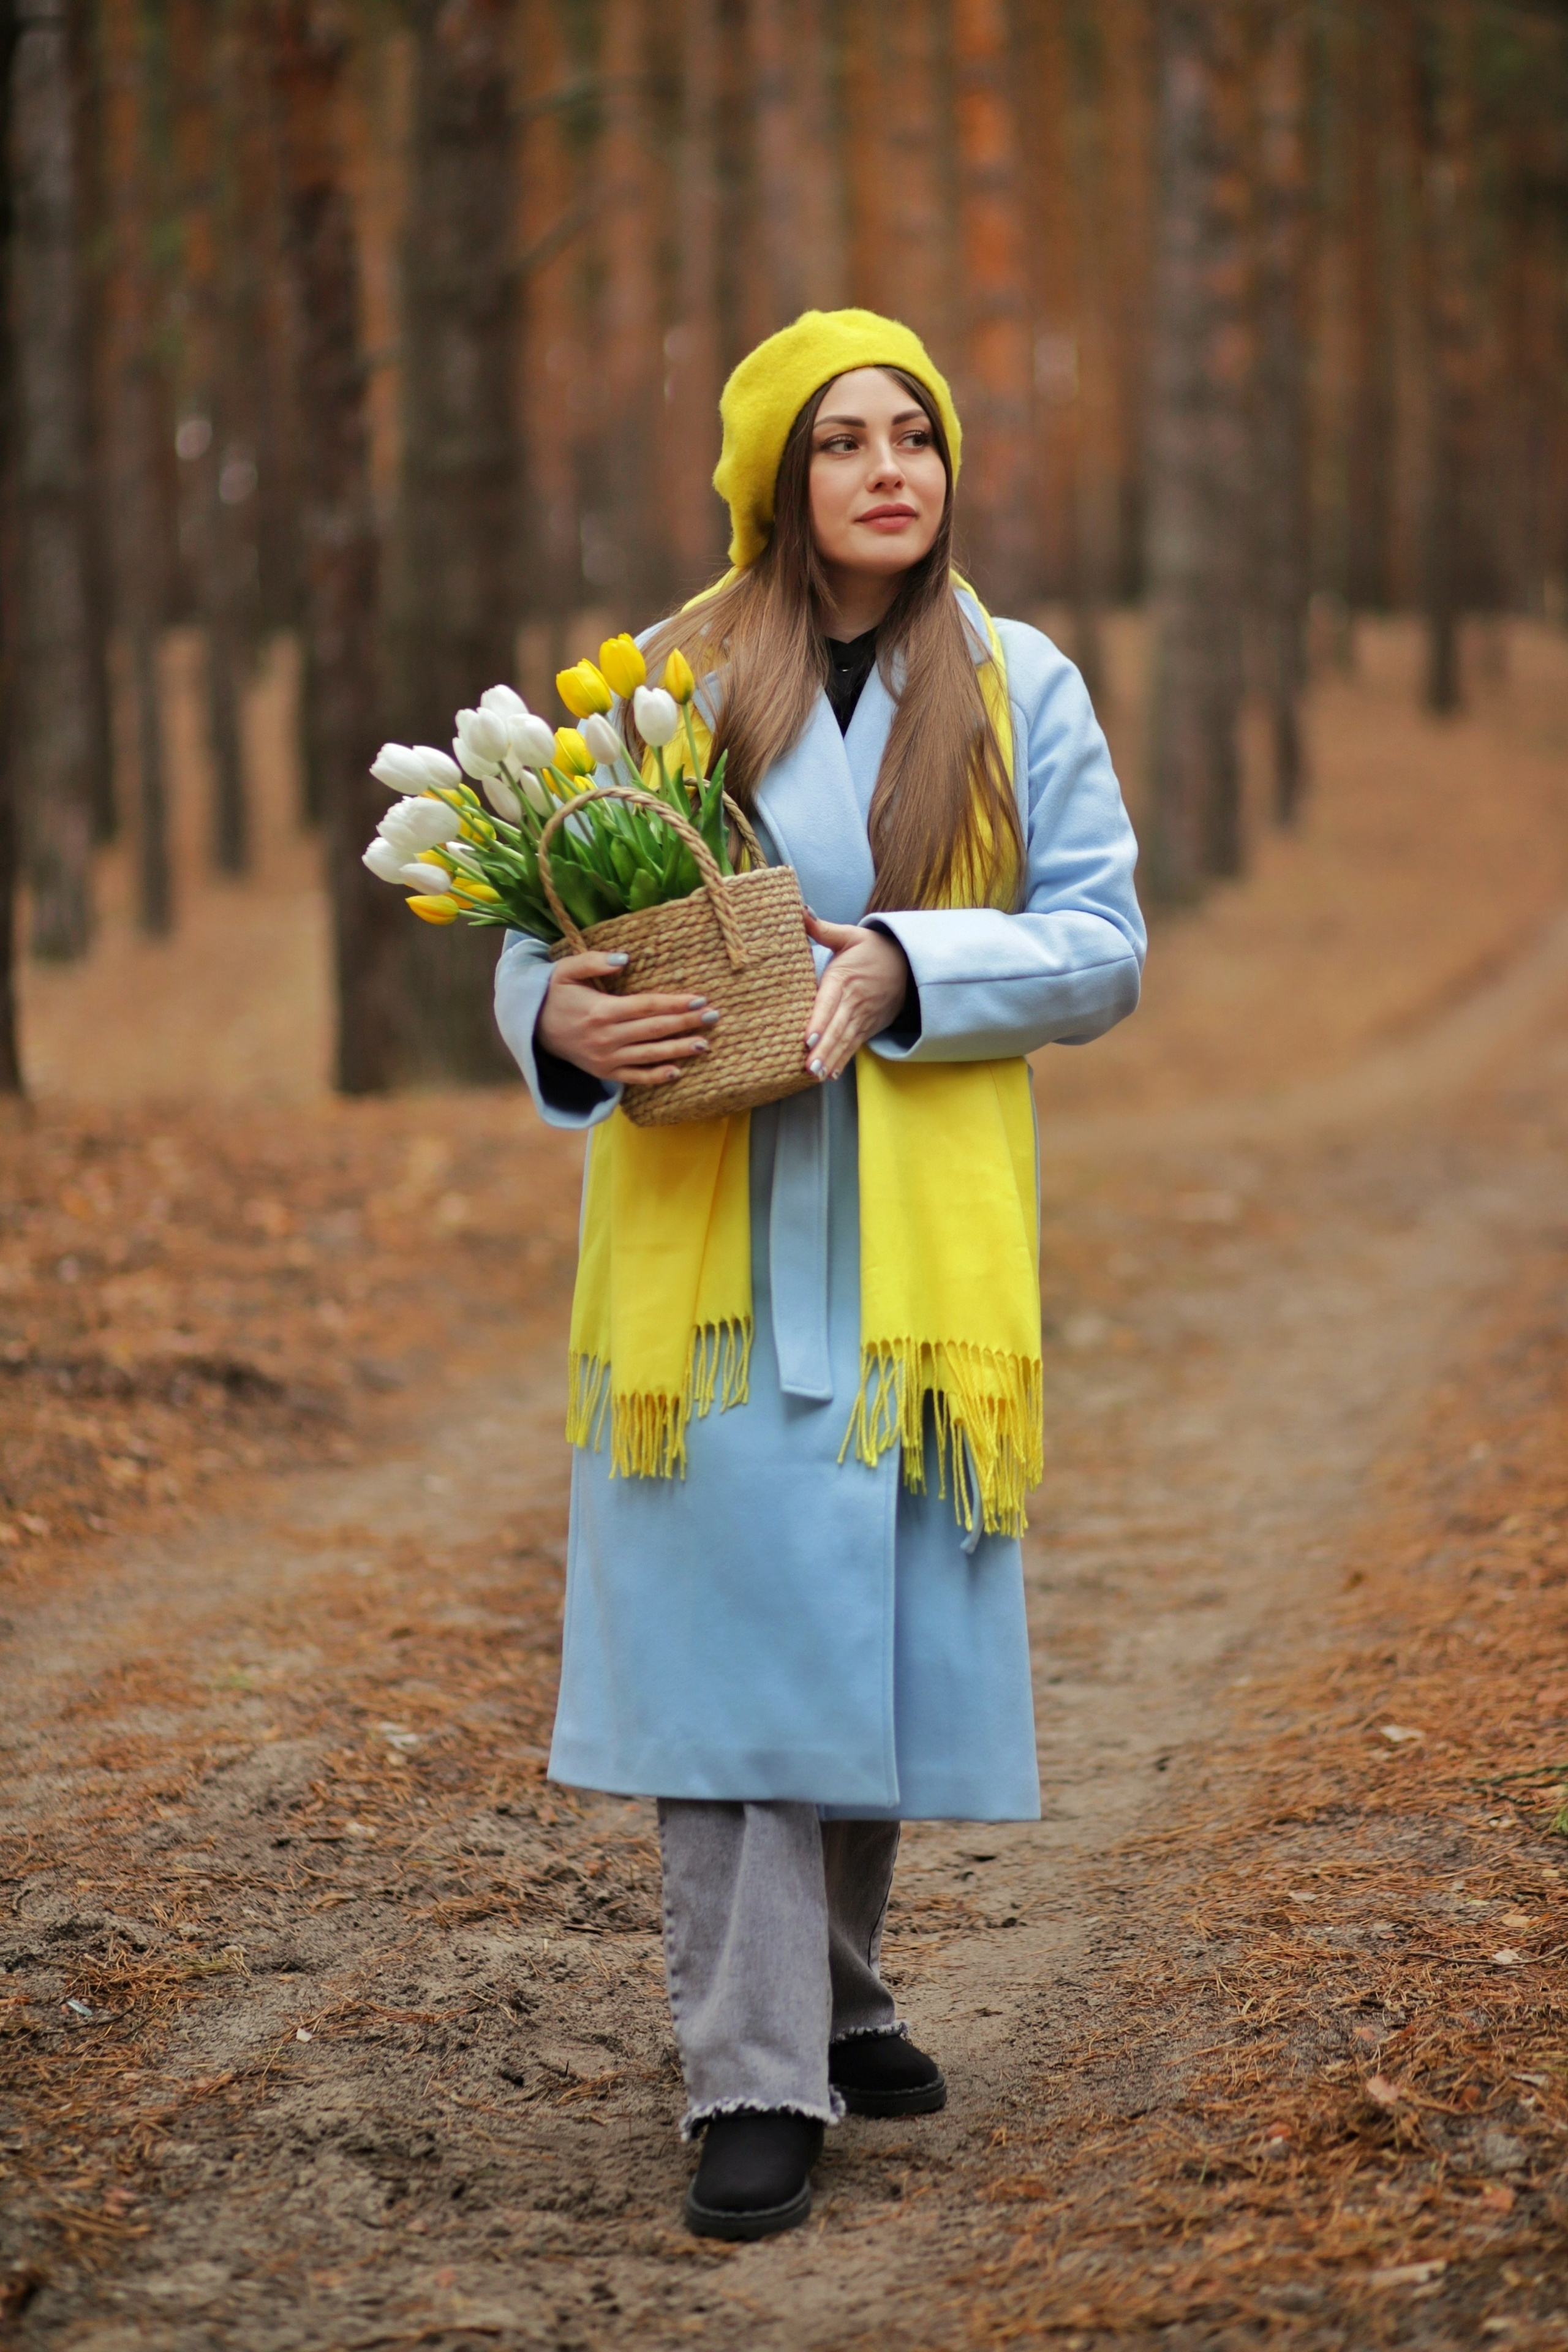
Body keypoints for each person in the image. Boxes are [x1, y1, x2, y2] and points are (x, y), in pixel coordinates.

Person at [494, 309, 1145, 2241]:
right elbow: (549, 928)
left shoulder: (1020, 682)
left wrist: (910, 967)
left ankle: (840, 1996)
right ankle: (752, 2077)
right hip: (708, 1254)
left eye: (916, 435)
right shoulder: (666, 682)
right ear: (778, 478)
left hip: (919, 1252)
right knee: (741, 1655)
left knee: (862, 1633)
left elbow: (1103, 941)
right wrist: (559, 1028)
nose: (888, 469)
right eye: (843, 440)